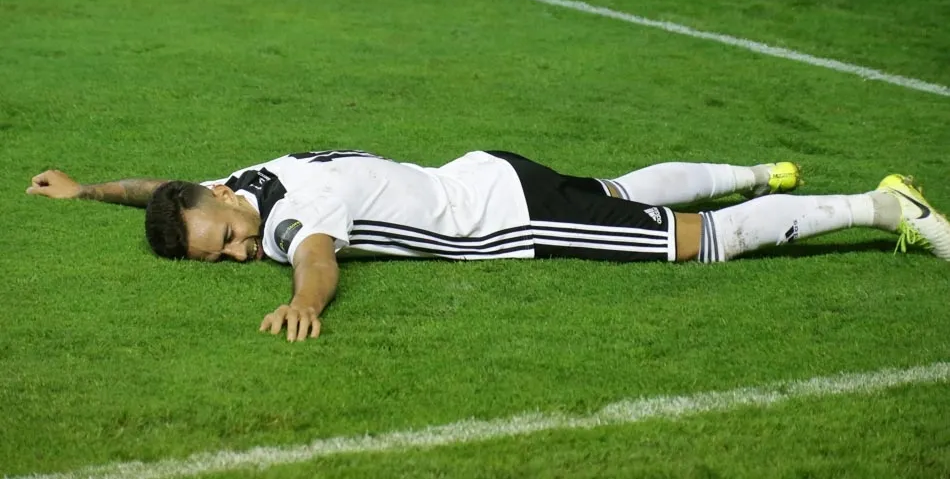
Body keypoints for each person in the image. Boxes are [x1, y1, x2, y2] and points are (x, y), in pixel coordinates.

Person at [27, 149, 950, 342]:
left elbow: (315, 254)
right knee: (617, 191)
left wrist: (303, 301)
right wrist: (87, 190)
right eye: (222, 254)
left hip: (506, 220)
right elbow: (161, 189)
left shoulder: (285, 214)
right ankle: (757, 170)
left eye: (228, 242)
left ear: (235, 206)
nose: (239, 254)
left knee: (696, 246)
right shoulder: (245, 177)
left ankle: (880, 206)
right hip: (488, 166)